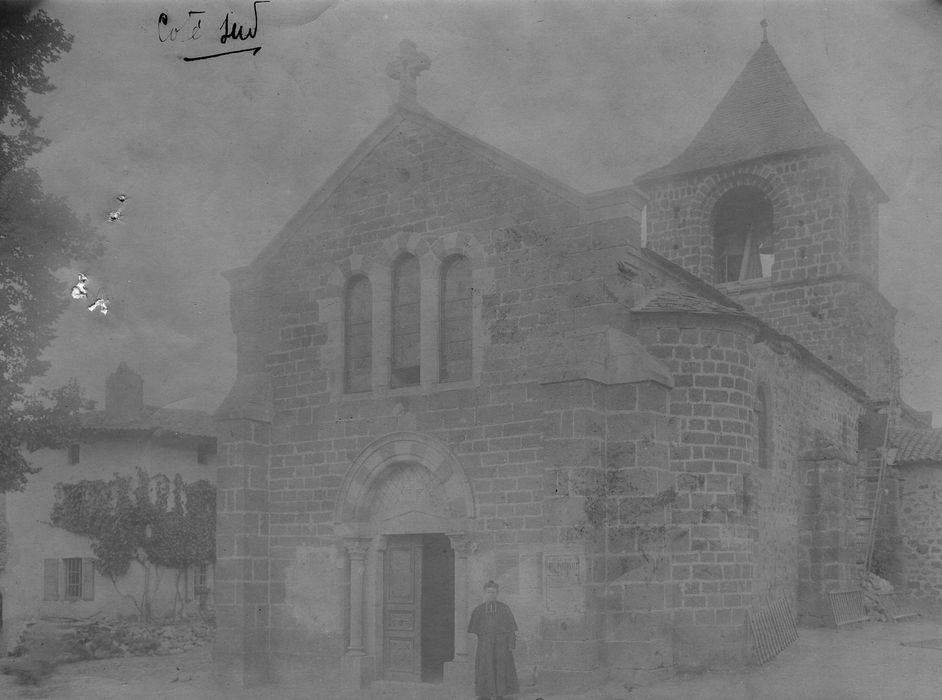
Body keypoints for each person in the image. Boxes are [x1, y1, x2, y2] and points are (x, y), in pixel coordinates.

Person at [467, 580, 519, 700]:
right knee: (485, 668)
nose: (491, 594)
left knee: (500, 668)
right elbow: (473, 631)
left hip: (501, 645)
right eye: (489, 592)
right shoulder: (478, 610)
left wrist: (511, 645)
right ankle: (484, 694)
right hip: (485, 645)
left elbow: (511, 629)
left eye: (494, 592)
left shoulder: (505, 608)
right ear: (485, 593)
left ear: (497, 593)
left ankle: (500, 694)